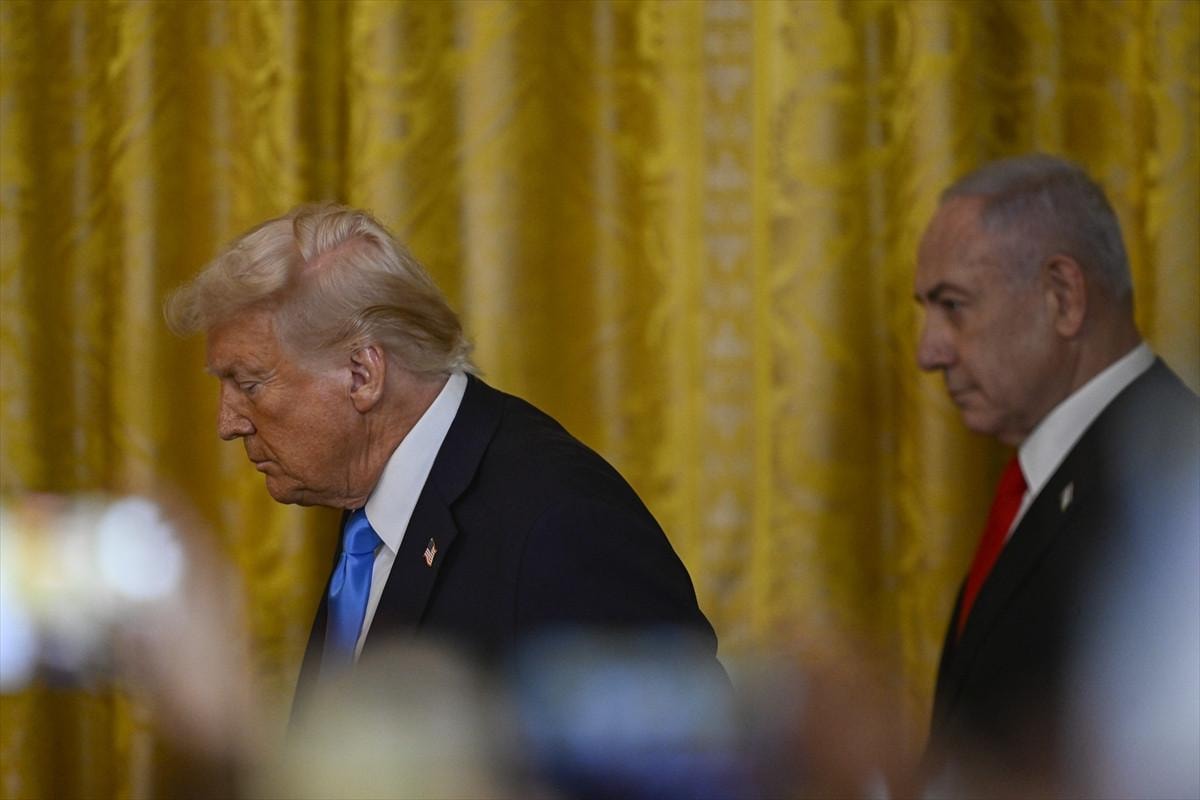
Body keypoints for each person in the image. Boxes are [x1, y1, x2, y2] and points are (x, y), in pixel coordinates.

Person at [163, 204, 723, 727]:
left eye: (249, 384)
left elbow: (683, 766)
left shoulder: (562, 524)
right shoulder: (373, 494)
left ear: (362, 375)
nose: (227, 423)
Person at [913, 154, 1200, 787]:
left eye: (953, 306)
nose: (927, 351)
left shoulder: (1169, 486)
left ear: (1063, 297)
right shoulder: (1044, 480)